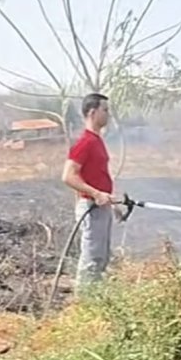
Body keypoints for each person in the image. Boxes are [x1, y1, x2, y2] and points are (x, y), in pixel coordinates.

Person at [62, 92, 116, 288]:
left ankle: (96, 299)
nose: (108, 114)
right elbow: (68, 176)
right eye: (105, 110)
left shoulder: (97, 141)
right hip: (91, 208)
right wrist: (96, 194)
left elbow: (99, 175)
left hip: (101, 207)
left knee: (101, 257)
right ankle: (84, 302)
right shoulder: (85, 142)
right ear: (93, 112)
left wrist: (111, 201)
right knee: (91, 259)